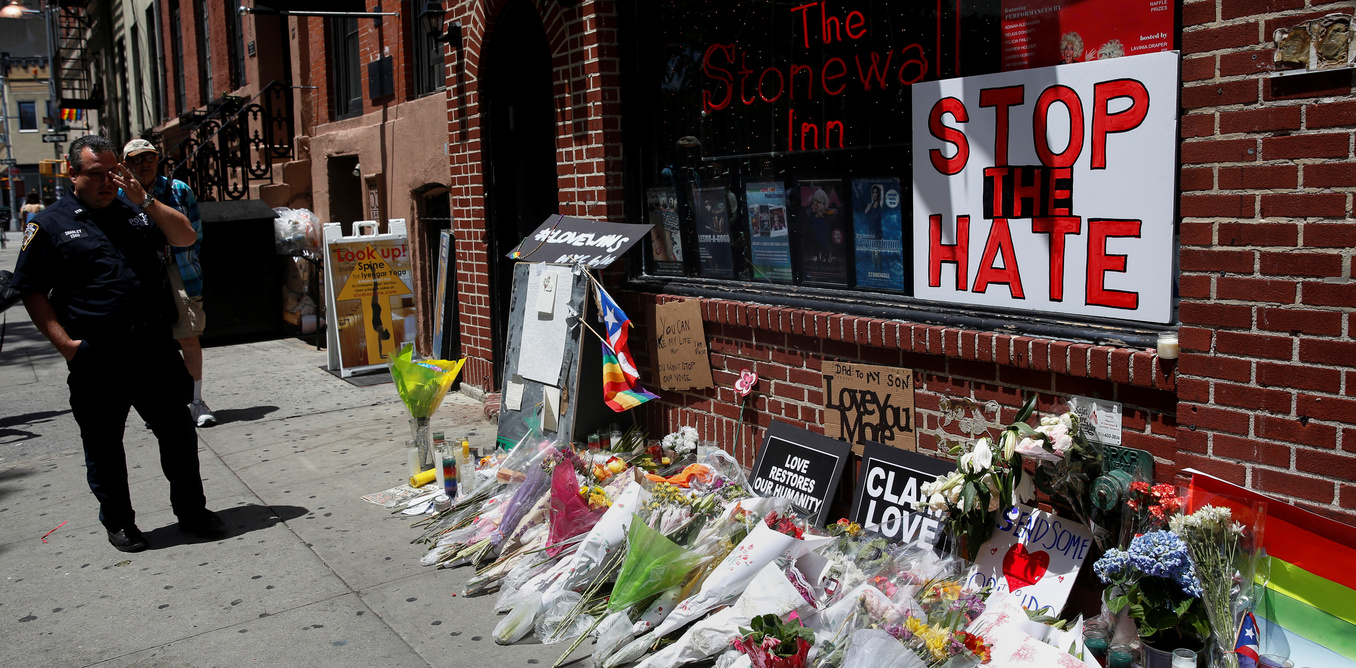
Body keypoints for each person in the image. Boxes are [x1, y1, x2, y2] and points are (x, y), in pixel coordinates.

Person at [10, 135, 223, 552]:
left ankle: (192, 512)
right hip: (99, 355)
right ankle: (120, 522)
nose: (107, 181)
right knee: (105, 446)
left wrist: (145, 200)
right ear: (73, 173)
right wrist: (68, 346)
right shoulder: (50, 223)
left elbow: (184, 238)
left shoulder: (137, 210)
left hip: (153, 348)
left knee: (179, 437)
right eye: (96, 173)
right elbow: (31, 290)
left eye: (112, 172)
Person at [121, 139, 215, 427]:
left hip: (178, 269)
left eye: (149, 157)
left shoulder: (178, 191)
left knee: (188, 336)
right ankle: (159, 406)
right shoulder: (118, 194)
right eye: (137, 160)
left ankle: (196, 402)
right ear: (126, 165)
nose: (144, 164)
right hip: (140, 275)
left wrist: (187, 267)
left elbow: (195, 235)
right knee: (149, 343)